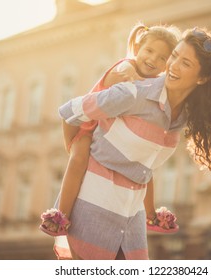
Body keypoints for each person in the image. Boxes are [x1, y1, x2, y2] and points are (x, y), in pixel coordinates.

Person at [53, 27, 211, 260]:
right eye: (174, 56)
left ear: (202, 78)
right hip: (92, 210)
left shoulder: (183, 116)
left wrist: (152, 214)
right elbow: (70, 112)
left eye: (185, 63)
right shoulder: (133, 93)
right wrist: (77, 150)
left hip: (131, 220)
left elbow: (144, 168)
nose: (172, 65)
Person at [39, 23, 183, 238]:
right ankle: (61, 215)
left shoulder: (156, 83)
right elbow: (119, 97)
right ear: (138, 49)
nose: (153, 60)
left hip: (112, 135)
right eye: (149, 51)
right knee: (78, 161)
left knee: (145, 167)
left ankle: (151, 215)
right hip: (89, 127)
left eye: (162, 58)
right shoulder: (126, 69)